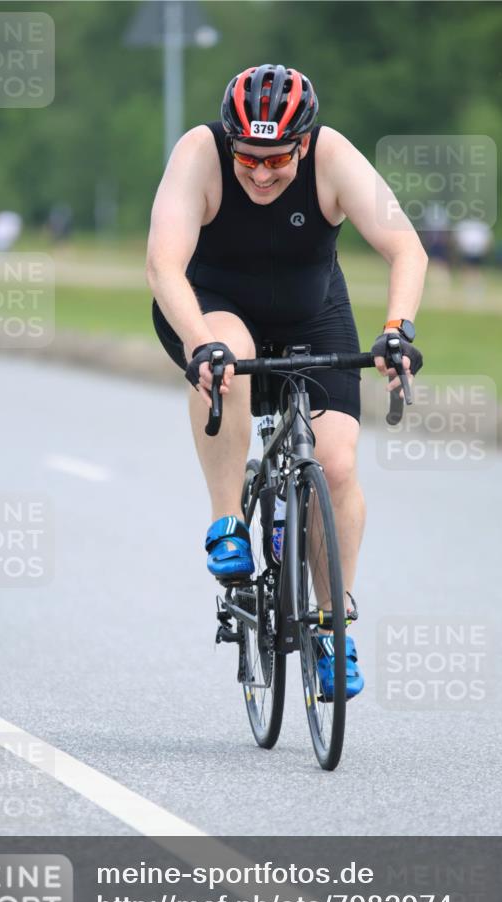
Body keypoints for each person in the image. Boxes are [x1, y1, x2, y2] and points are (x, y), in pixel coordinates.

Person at [146, 64, 426, 699]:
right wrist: (200, 341)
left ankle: (332, 629)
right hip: (209, 307)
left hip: (311, 312)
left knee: (337, 464)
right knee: (229, 355)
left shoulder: (333, 156)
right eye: (248, 157)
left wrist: (396, 329)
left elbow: (406, 247)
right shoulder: (200, 153)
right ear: (229, 140)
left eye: (275, 158)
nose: (261, 172)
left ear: (303, 143)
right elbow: (164, 266)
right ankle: (226, 522)